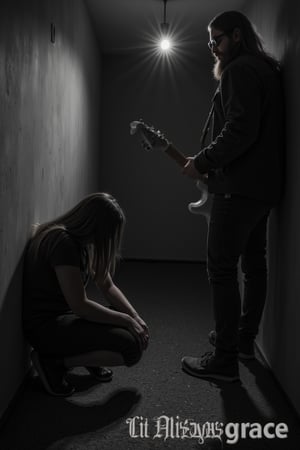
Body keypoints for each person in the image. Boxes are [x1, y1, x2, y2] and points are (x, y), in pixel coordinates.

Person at [181, 11, 284, 382]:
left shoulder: (239, 71)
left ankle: (224, 360)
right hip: (263, 189)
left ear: (237, 35)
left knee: (221, 269)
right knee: (254, 265)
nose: (213, 48)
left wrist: (204, 161)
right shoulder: (265, 70)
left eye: (217, 40)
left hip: (237, 188)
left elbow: (239, 129)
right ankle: (242, 340)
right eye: (210, 43)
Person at [23, 192, 149, 396]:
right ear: (94, 226)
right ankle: (55, 363)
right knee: (131, 348)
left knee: (128, 327)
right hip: (45, 328)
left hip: (64, 319)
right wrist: (126, 320)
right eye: (107, 233)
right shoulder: (62, 241)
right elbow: (80, 306)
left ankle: (85, 354)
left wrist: (135, 318)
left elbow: (106, 285)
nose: (108, 240)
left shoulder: (81, 242)